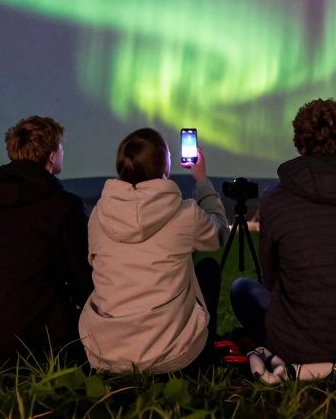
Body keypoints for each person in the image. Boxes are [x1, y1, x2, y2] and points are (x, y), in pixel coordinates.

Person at [230, 99, 336, 364]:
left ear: (299, 140)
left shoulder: (275, 199)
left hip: (299, 349)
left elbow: (271, 278)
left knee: (241, 288)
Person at [79, 128, 228, 373]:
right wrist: (202, 182)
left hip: (105, 353)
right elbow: (219, 233)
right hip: (173, 355)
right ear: (163, 165)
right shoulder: (185, 213)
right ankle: (204, 357)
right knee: (208, 269)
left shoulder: (97, 215)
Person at [0, 116, 93, 364]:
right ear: (52, 155)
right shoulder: (64, 207)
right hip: (34, 340)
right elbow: (83, 280)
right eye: (60, 147)